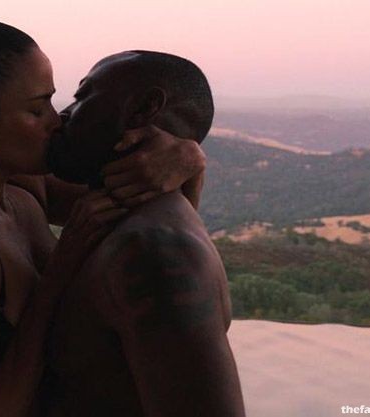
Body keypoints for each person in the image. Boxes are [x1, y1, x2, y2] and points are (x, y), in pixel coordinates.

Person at [0, 22, 207, 417]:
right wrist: (62, 265)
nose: (56, 121)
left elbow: (141, 214)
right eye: (36, 109)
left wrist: (189, 161)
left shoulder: (23, 191)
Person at [38, 50, 246, 416]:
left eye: (83, 97)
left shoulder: (155, 252)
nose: (62, 116)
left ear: (144, 108)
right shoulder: (118, 219)